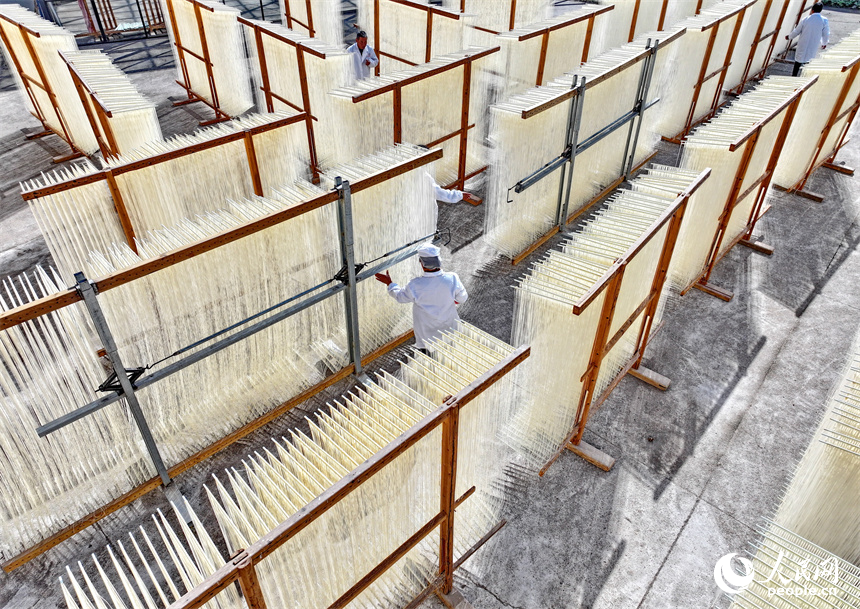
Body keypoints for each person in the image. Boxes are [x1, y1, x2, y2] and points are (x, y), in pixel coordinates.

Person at [375, 244, 467, 353]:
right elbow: (462, 298)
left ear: (422, 264)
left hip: (427, 338)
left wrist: (390, 283)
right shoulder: (452, 278)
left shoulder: (415, 285)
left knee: (432, 361)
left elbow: (400, 297)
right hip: (451, 331)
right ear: (439, 261)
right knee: (451, 358)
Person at [786, 3, 829, 77]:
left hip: (803, 42)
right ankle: (804, 77)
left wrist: (789, 37)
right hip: (814, 43)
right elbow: (826, 33)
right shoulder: (824, 20)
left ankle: (794, 76)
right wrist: (824, 43)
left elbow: (797, 31)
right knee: (809, 60)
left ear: (812, 10)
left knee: (798, 61)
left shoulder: (806, 19)